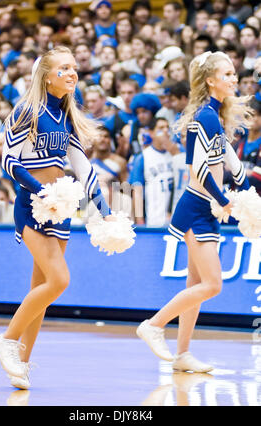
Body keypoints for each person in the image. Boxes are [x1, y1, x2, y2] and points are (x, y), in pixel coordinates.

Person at [0, 46, 114, 390]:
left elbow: (82, 167)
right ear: (47, 75)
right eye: (64, 68)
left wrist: (103, 211)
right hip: (33, 205)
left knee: (40, 289)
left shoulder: (67, 116)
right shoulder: (27, 111)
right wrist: (39, 190)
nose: (72, 73)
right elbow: (9, 162)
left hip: (60, 209)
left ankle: (22, 363)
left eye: (74, 68)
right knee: (59, 281)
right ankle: (7, 340)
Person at [136, 51, 252, 372]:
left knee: (195, 284)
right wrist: (224, 199)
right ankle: (154, 325)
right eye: (227, 74)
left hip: (206, 207)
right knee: (212, 284)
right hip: (198, 206)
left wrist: (244, 185)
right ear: (210, 80)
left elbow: (225, 157)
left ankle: (182, 354)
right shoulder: (205, 116)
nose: (234, 79)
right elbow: (198, 170)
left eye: (234, 74)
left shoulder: (213, 115)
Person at [129, 117, 179, 226]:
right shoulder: (143, 157)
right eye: (161, 128)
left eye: (167, 128)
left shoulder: (177, 153)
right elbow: (137, 191)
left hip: (178, 215)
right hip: (155, 217)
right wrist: (140, 220)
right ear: (151, 133)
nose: (165, 131)